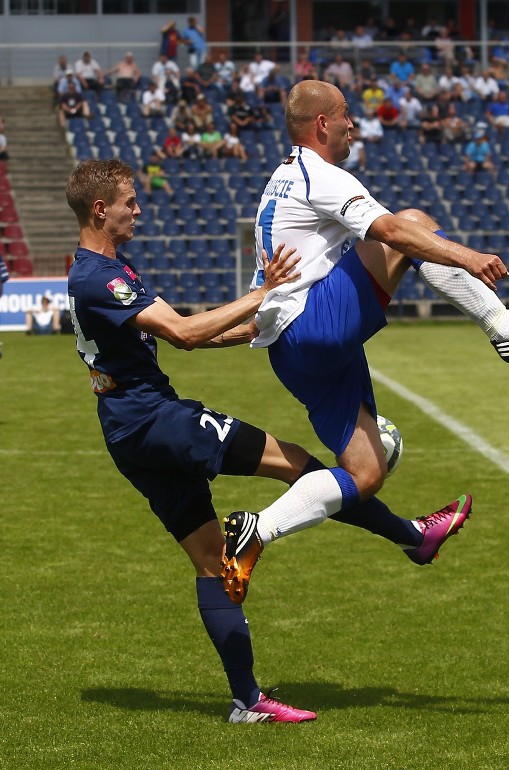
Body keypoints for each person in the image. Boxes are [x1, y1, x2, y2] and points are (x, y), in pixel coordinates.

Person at [218, 80, 509, 599]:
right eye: (344, 116)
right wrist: (467, 256)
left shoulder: (279, 183)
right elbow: (394, 234)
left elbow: (265, 301)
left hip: (294, 354)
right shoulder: (320, 175)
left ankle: (256, 533)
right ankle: (506, 330)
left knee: (365, 473)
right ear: (321, 124)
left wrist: (196, 338)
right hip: (317, 327)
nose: (352, 125)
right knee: (415, 222)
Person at [64, 157, 323, 723]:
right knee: (308, 469)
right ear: (101, 209)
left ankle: (247, 702)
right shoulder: (97, 276)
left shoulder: (109, 268)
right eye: (131, 201)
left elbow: (180, 333)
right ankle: (409, 533)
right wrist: (264, 292)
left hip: (130, 431)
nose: (139, 208)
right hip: (155, 421)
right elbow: (182, 332)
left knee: (213, 564)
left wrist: (243, 333)